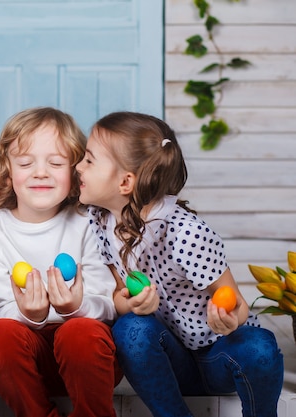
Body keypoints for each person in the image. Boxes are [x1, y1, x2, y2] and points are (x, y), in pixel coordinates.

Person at [76, 111, 284, 417]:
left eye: (89, 160)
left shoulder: (184, 233)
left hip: (220, 355)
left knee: (260, 346)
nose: (78, 166)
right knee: (130, 327)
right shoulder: (99, 221)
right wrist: (133, 305)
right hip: (172, 362)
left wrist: (228, 319)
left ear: (124, 182)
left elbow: (235, 303)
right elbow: (119, 295)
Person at [0, 107, 122, 417]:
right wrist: (33, 314)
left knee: (78, 332)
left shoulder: (89, 221)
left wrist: (74, 308)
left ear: (75, 171)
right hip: (28, 361)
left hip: (91, 358)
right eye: (26, 163)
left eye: (55, 163)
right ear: (7, 170)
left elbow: (109, 304)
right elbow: (6, 309)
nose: (41, 172)